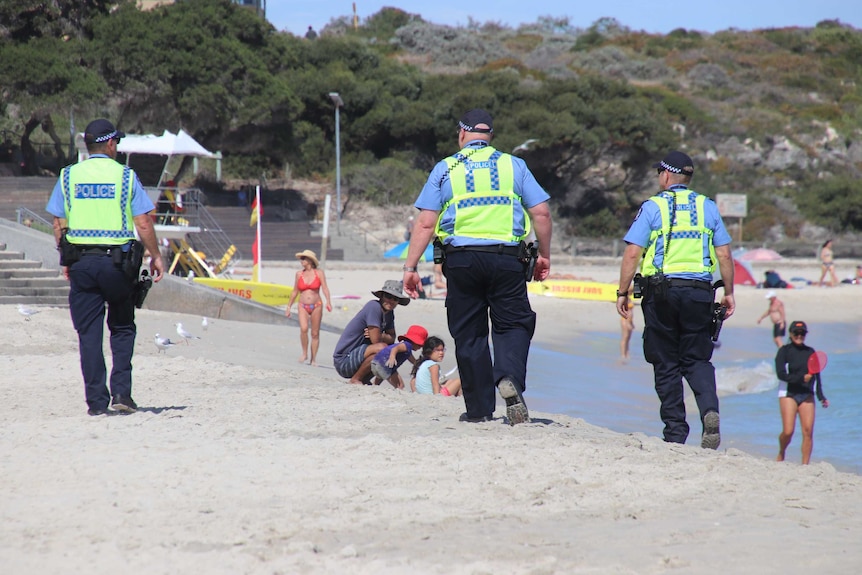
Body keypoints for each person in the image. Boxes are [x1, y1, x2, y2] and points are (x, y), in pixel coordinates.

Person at [401, 108, 552, 425]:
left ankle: (480, 408)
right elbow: (541, 213)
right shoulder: (514, 165)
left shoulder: (446, 168)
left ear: (461, 134)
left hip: (462, 260)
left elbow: (426, 223)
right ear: (491, 137)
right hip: (507, 258)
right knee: (513, 325)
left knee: (470, 334)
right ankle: (508, 378)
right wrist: (544, 255)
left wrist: (410, 268)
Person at [45, 119, 165, 416]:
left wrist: (66, 260)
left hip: (82, 263)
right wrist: (156, 255)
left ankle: (97, 402)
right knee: (122, 327)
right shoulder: (125, 176)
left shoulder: (68, 175)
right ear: (110, 144)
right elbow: (143, 222)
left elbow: (59, 223)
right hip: (118, 264)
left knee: (89, 334)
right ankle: (122, 393)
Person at [616, 150, 735, 449]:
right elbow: (723, 253)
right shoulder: (707, 206)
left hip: (662, 293)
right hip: (699, 292)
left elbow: (633, 252)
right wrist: (729, 292)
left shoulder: (653, 206)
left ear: (666, 175)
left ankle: (675, 432)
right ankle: (709, 411)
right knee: (697, 359)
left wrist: (622, 291)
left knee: (665, 361)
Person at [332, 280, 408, 385]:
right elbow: (376, 341)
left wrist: (381, 335)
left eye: (395, 299)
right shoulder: (374, 307)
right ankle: (356, 379)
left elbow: (391, 338)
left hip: (359, 357)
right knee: (382, 348)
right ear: (382, 296)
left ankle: (363, 380)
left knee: (393, 350)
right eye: (388, 296)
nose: (391, 301)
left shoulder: (389, 314)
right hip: (344, 360)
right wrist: (381, 337)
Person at [774, 320, 829, 464]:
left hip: (807, 394)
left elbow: (817, 376)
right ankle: (782, 451)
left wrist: (821, 396)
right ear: (791, 334)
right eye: (796, 333)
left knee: (807, 431)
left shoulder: (810, 352)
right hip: (788, 393)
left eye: (802, 333)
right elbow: (781, 374)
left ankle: (805, 465)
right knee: (788, 431)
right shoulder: (784, 351)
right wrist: (800, 378)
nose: (799, 335)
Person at [285, 249, 332, 366]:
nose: (301, 261)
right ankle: (304, 353)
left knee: (315, 333)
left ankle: (313, 359)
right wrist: (289, 306)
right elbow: (295, 291)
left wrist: (328, 302)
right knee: (304, 328)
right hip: (302, 305)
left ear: (310, 260)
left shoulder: (319, 273)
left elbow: (325, 288)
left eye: (303, 258)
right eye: (301, 259)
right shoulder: (299, 274)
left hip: (317, 305)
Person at [370, 325, 427, 389]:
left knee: (381, 377)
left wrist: (418, 365)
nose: (420, 348)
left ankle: (374, 386)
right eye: (420, 345)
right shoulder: (407, 346)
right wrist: (392, 357)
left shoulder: (407, 349)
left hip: (375, 362)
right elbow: (395, 348)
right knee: (400, 385)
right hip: (385, 364)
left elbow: (412, 359)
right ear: (415, 342)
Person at [619, 291, 635, 362]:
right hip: (625, 320)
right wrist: (628, 322)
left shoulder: (629, 299)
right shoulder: (625, 299)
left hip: (630, 320)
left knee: (628, 338)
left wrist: (631, 323)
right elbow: (626, 311)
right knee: (625, 338)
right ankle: (623, 354)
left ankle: (627, 353)